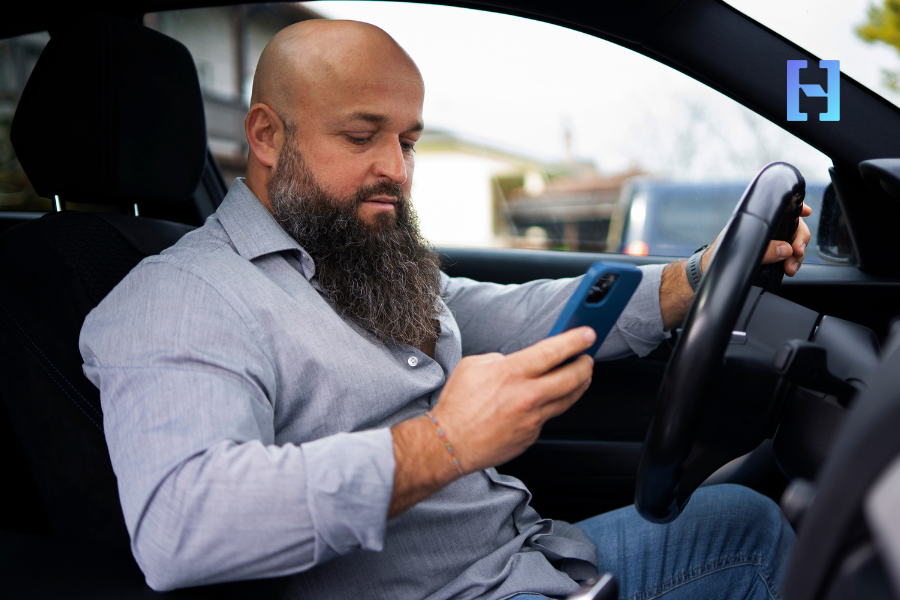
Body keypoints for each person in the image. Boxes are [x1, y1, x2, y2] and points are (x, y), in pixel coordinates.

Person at [79, 19, 810, 600]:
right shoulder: (180, 298)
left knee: (744, 524)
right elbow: (182, 526)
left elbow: (509, 314)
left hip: (532, 557)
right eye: (362, 137)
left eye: (409, 141)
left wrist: (696, 277)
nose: (396, 170)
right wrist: (446, 442)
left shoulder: (354, 255)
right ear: (268, 135)